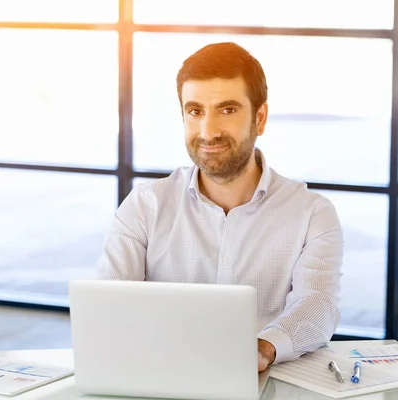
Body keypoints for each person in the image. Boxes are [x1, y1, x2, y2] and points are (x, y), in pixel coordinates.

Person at [97, 42, 343, 372]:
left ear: (260, 118)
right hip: (160, 379)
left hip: (265, 381)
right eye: (195, 111)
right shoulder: (145, 205)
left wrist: (263, 348)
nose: (208, 132)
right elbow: (110, 304)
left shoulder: (312, 213)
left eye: (227, 110)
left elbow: (318, 304)